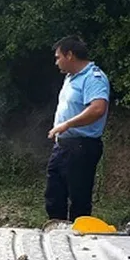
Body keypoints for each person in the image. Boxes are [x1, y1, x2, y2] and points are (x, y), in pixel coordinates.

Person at [44, 35, 110, 222]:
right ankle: (55, 234)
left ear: (70, 55)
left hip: (82, 146)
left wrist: (67, 124)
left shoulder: (93, 77)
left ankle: (78, 240)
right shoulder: (70, 78)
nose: (56, 62)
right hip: (63, 145)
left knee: (78, 199)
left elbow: (98, 108)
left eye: (58, 57)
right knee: (54, 194)